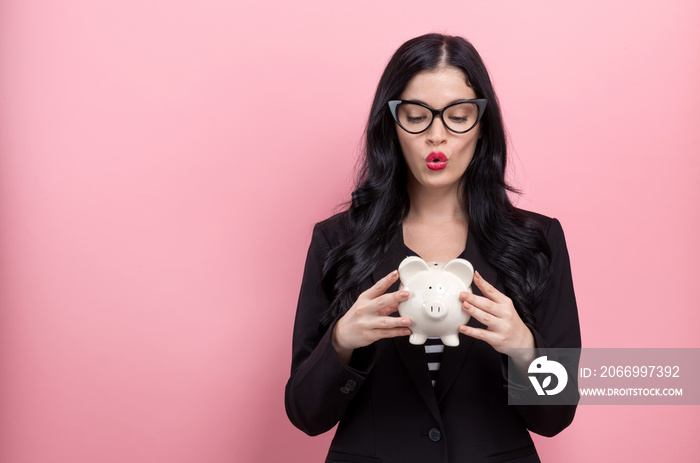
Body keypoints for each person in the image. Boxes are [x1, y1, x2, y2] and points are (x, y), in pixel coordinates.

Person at [285, 33, 581, 463]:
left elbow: (555, 418)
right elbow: (305, 414)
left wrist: (524, 350)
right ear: (391, 123)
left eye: (458, 116)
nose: (437, 136)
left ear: (482, 127)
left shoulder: (537, 241)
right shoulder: (338, 240)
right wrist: (342, 340)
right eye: (416, 116)